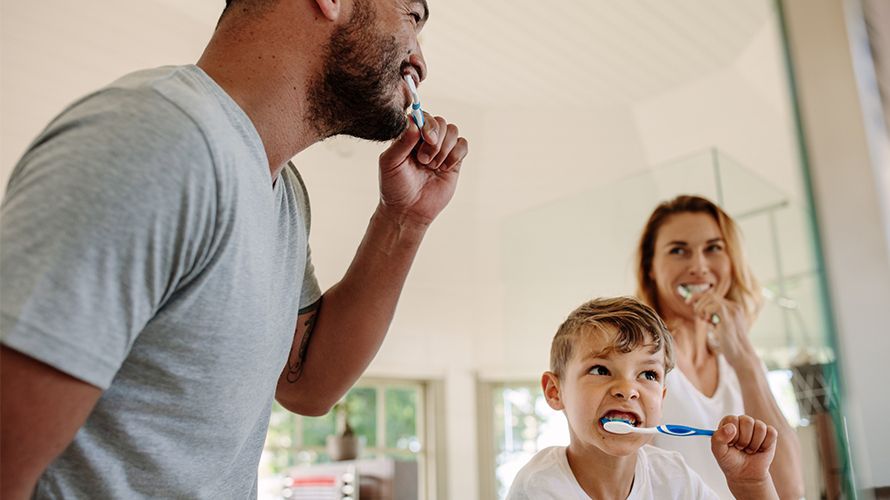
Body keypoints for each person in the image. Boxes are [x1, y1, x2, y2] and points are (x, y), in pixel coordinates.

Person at [0, 0, 468, 497]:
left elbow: (307, 385)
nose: (420, 59)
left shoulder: (282, 191)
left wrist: (405, 220)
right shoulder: (157, 141)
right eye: (412, 17)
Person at [506, 296, 780, 500]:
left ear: (662, 396)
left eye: (648, 374)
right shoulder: (539, 488)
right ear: (555, 392)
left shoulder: (673, 477)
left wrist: (752, 485)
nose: (627, 388)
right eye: (600, 369)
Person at [635, 195, 804, 499]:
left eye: (713, 248)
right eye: (678, 251)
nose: (698, 266)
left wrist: (745, 359)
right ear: (651, 268)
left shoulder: (741, 364)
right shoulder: (639, 364)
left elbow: (789, 490)